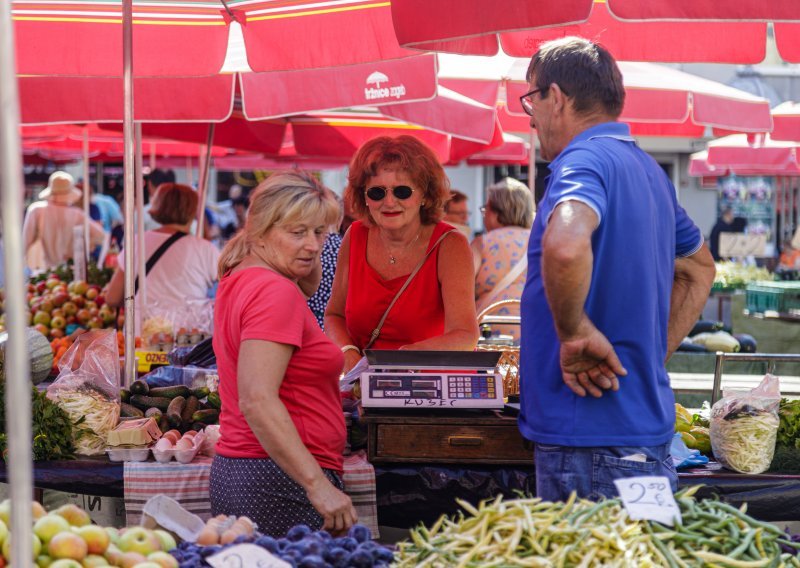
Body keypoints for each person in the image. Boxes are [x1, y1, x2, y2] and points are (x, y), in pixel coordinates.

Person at [518, 37, 716, 502]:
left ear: (558, 98)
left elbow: (566, 245)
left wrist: (574, 332)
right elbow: (699, 268)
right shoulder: (648, 170)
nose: (530, 116)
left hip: (586, 441)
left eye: (532, 99)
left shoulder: (582, 161)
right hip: (642, 439)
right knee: (642, 555)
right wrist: (647, 355)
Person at [210, 171, 357, 537]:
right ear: (260, 230)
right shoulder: (275, 291)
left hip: (256, 472)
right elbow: (257, 398)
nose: (313, 245)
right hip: (278, 479)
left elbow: (307, 284)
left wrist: (302, 256)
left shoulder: (243, 275)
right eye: (298, 232)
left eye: (320, 232)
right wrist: (316, 484)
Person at [325, 136, 479, 373]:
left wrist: (404, 359)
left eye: (402, 191)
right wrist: (347, 352)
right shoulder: (355, 235)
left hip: (428, 392)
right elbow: (334, 315)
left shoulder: (450, 244)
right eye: (377, 192)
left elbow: (466, 335)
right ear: (364, 197)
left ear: (425, 196)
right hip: (362, 389)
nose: (389, 202)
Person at [104, 183, 219, 335]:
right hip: (188, 338)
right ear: (193, 211)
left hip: (142, 335)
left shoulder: (137, 243)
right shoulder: (206, 249)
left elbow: (112, 298)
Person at [472, 177, 534, 340]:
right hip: (530, 333)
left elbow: (460, 287)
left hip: (488, 337)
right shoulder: (542, 242)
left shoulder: (482, 243)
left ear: (496, 211)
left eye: (485, 209)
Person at [22, 171, 105, 271]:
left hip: (40, 271)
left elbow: (25, 242)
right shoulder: (77, 214)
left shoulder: (36, 210)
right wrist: (84, 246)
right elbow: (100, 236)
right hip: (69, 271)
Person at [307, 193, 344, 330]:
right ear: (339, 219)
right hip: (338, 331)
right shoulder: (350, 249)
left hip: (307, 327)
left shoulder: (307, 248)